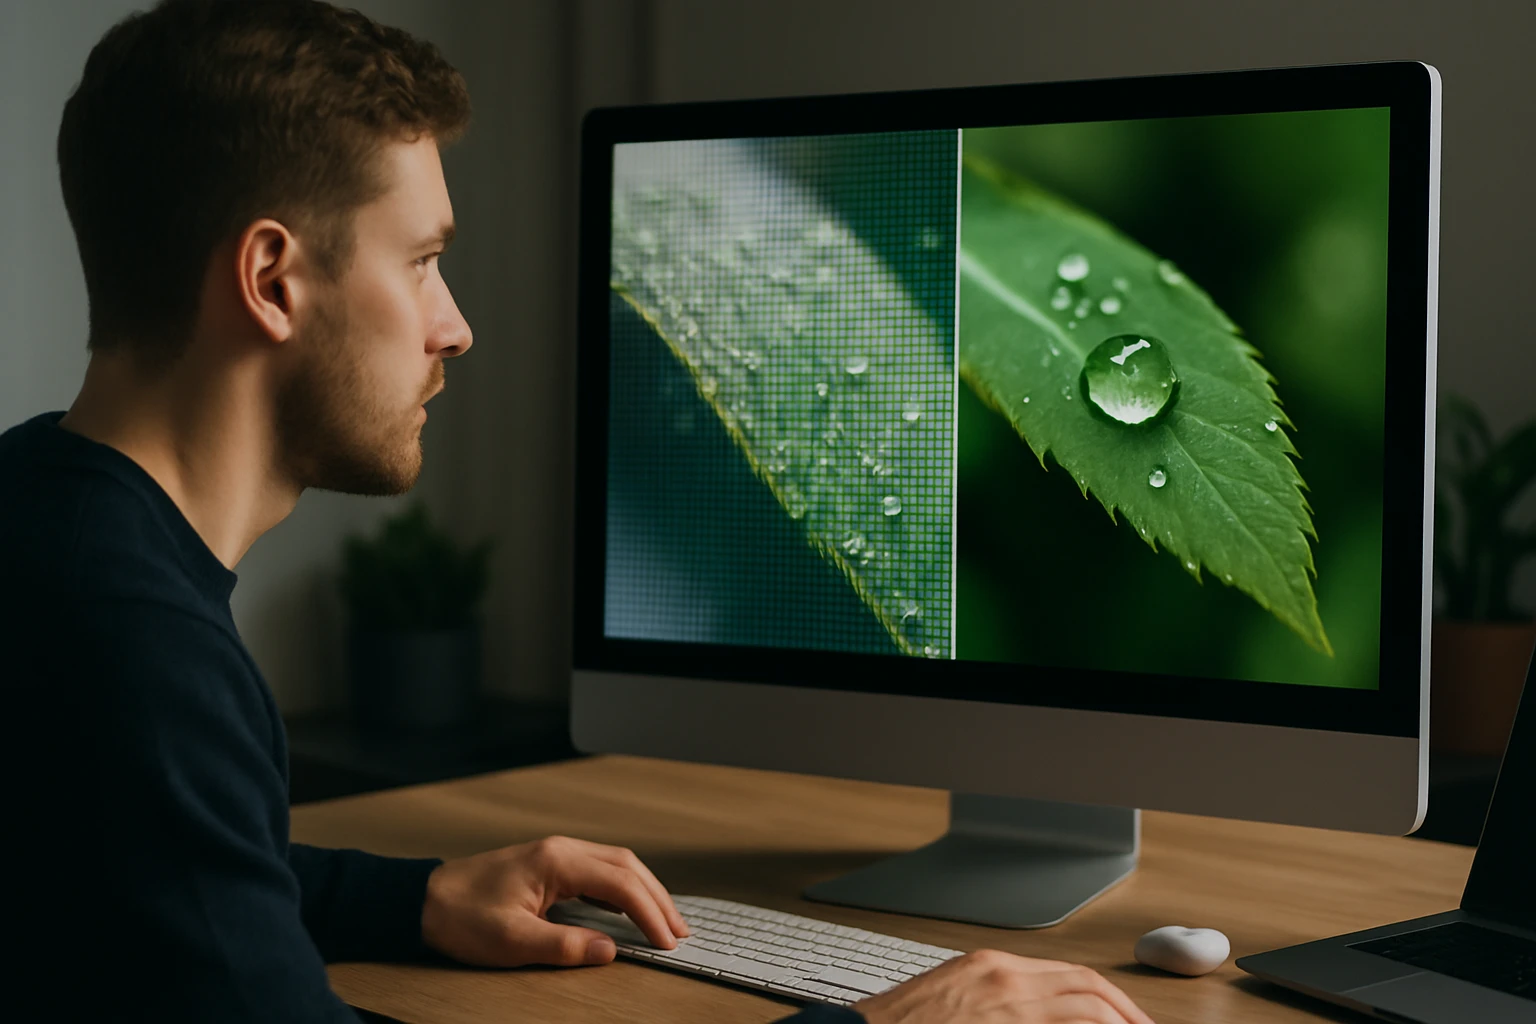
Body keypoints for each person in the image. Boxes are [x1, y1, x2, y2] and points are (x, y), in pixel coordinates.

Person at [0, 2, 1155, 1022]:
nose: (455, 325)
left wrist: (415, 896)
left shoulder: (43, 518)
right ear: (271, 279)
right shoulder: (145, 661)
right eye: (420, 262)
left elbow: (132, 872)